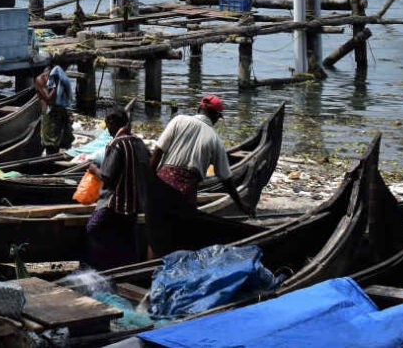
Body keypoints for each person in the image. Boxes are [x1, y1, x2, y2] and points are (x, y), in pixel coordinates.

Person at [150, 95, 251, 213]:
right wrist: (240, 205)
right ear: (217, 117)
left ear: (198, 109)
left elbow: (157, 152)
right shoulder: (215, 140)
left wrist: (148, 182)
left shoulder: (178, 120)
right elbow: (226, 179)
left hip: (162, 184)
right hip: (186, 193)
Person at [83, 109, 152, 269]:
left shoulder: (116, 144)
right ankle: (128, 267)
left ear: (112, 124)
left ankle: (94, 267)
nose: (107, 129)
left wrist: (93, 169)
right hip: (135, 204)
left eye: (108, 125)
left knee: (93, 228)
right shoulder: (139, 142)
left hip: (115, 202)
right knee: (128, 236)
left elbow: (107, 177)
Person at [34, 63, 76, 153]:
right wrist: (55, 85)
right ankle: (50, 160)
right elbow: (48, 99)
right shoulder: (40, 79)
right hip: (49, 114)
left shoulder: (58, 79)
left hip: (60, 110)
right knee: (50, 143)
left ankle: (60, 155)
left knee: (66, 138)